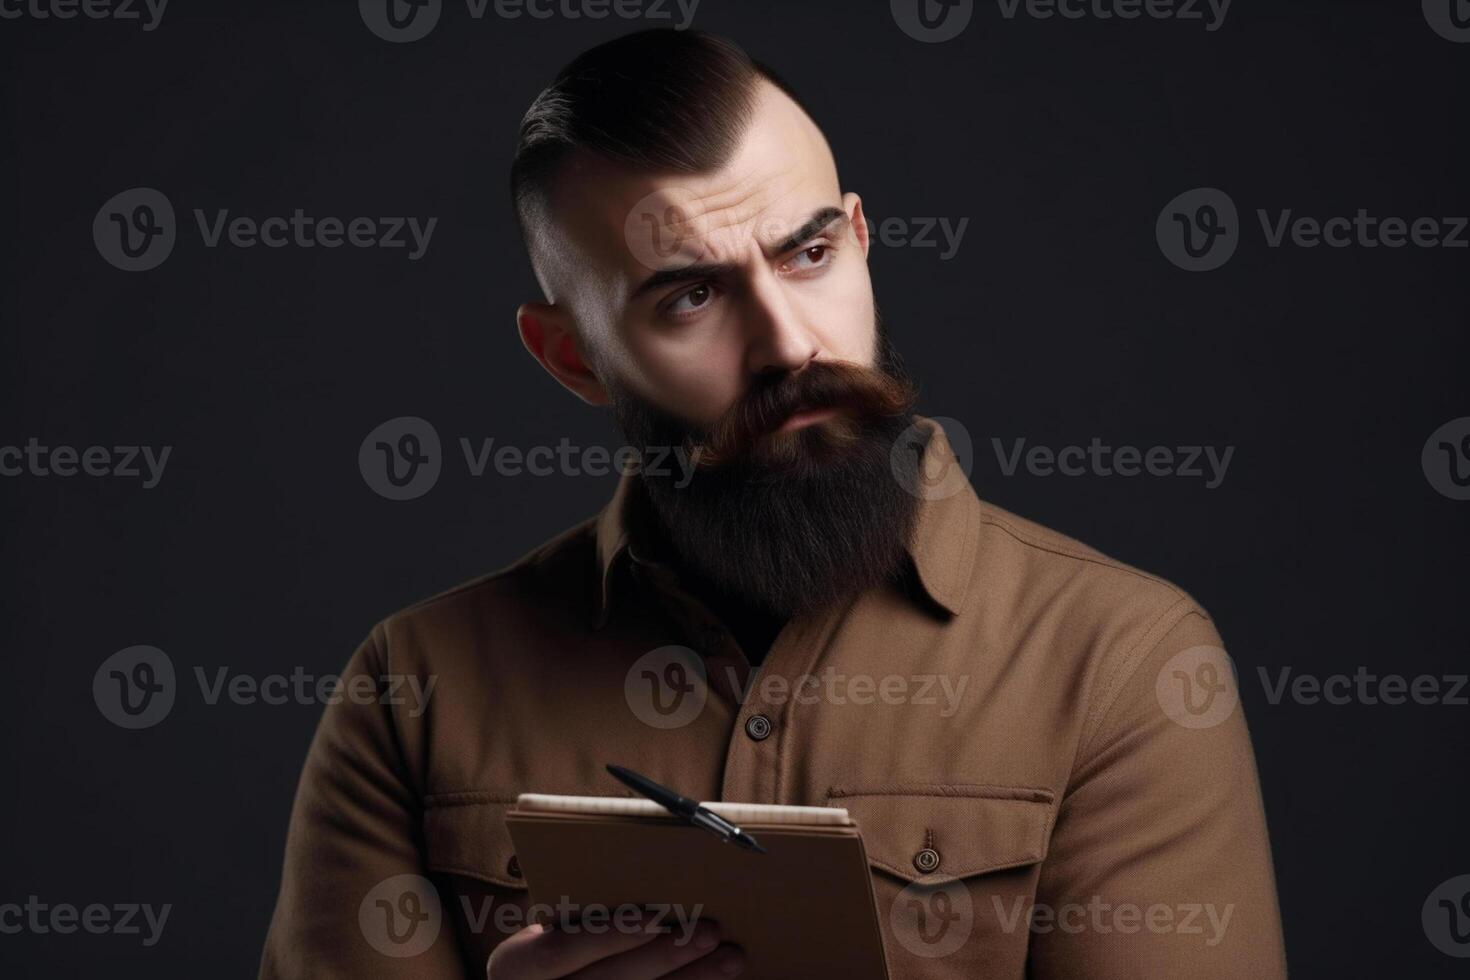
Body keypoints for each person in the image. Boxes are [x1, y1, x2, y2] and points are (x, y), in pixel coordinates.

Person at [260, 28, 1286, 979]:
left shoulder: (1122, 660)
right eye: (691, 296)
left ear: (860, 239)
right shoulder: (412, 688)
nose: (791, 343)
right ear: (574, 355)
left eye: (808, 255)